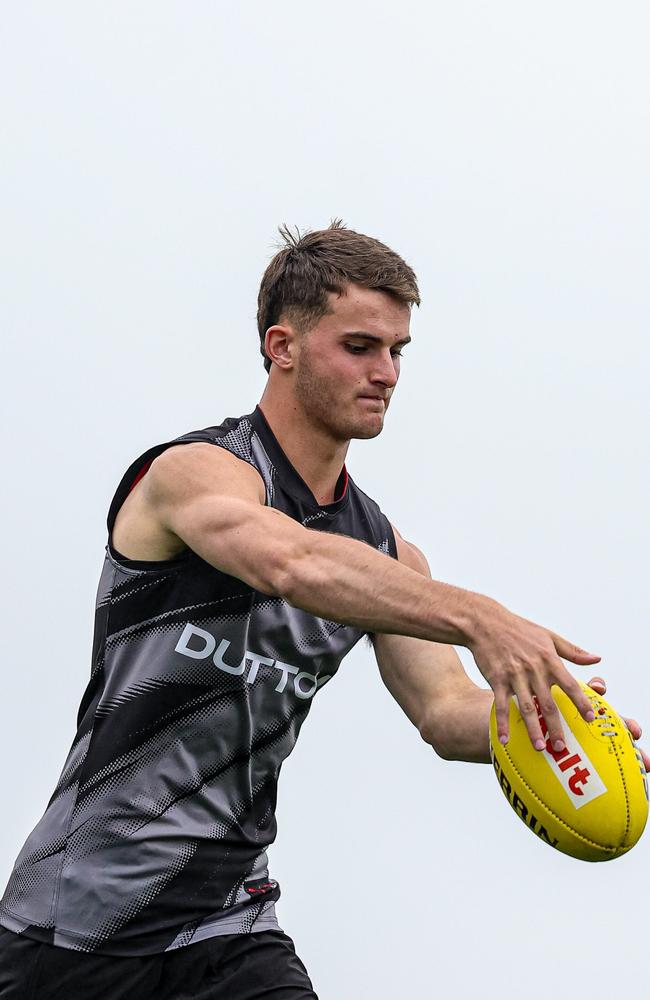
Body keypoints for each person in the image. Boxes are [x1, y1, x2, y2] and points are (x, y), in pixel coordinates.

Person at [0, 221, 644, 999]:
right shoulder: (195, 475)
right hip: (76, 920)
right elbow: (289, 561)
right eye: (361, 346)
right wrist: (480, 616)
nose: (388, 373)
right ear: (283, 346)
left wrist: (551, 728)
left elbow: (445, 711)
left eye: (398, 351)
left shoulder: (388, 558)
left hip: (229, 923)